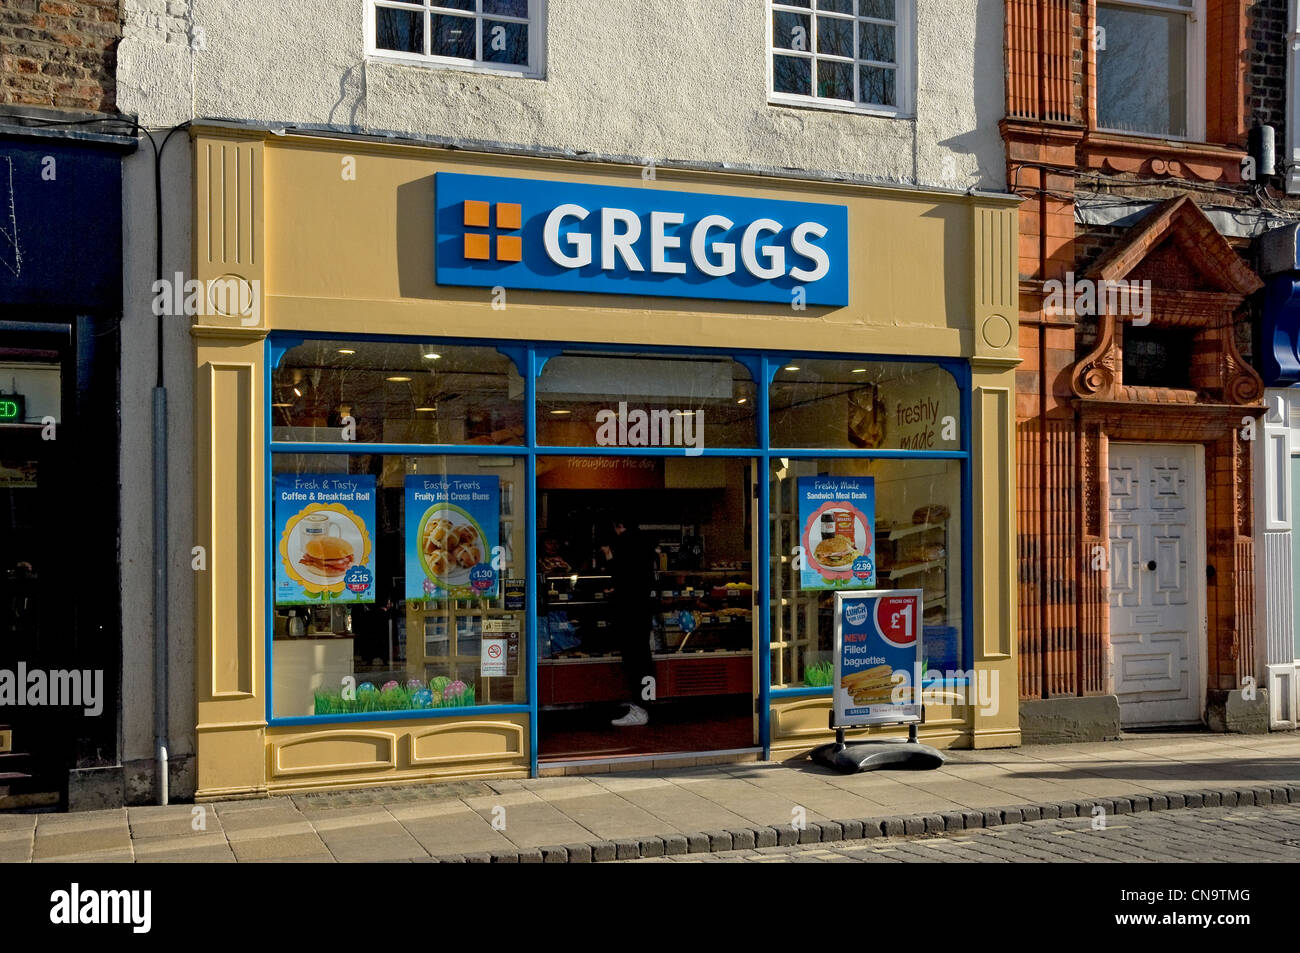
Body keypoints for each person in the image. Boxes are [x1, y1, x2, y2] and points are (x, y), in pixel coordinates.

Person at [600, 516, 656, 727]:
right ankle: (647, 705)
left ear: (617, 526)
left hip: (630, 611)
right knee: (644, 659)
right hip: (643, 609)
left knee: (635, 661)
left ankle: (639, 709)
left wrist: (608, 556)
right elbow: (639, 576)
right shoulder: (646, 542)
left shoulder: (624, 542)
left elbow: (621, 573)